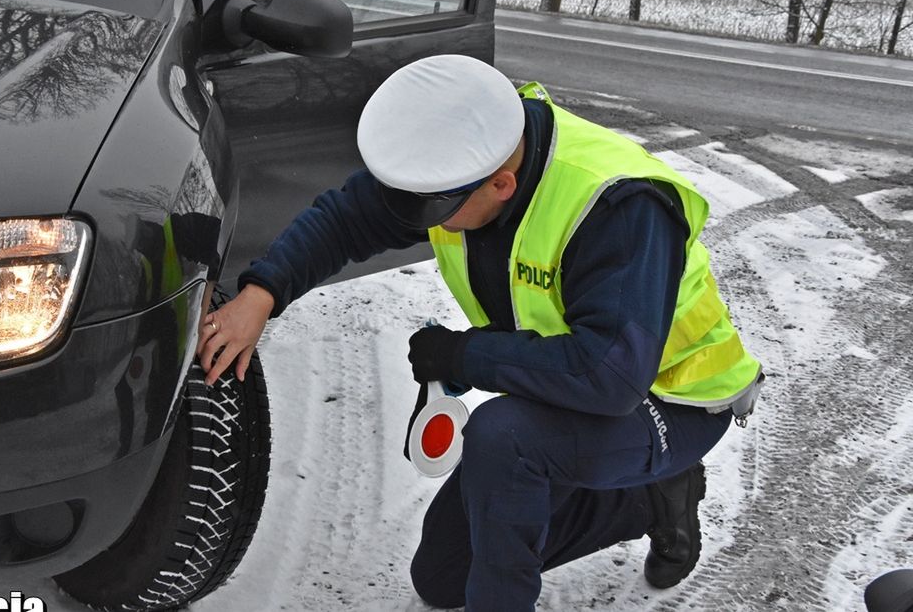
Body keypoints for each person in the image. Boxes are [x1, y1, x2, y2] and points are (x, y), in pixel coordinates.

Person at [195, 54, 763, 611]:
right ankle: (643, 501)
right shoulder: (456, 165)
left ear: (502, 185)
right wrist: (262, 294)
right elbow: (347, 218)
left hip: (668, 399)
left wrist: (464, 355)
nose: (417, 219)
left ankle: (662, 475)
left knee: (505, 438)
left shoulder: (617, 204)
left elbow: (608, 374)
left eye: (431, 209)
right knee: (444, 578)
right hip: (579, 385)